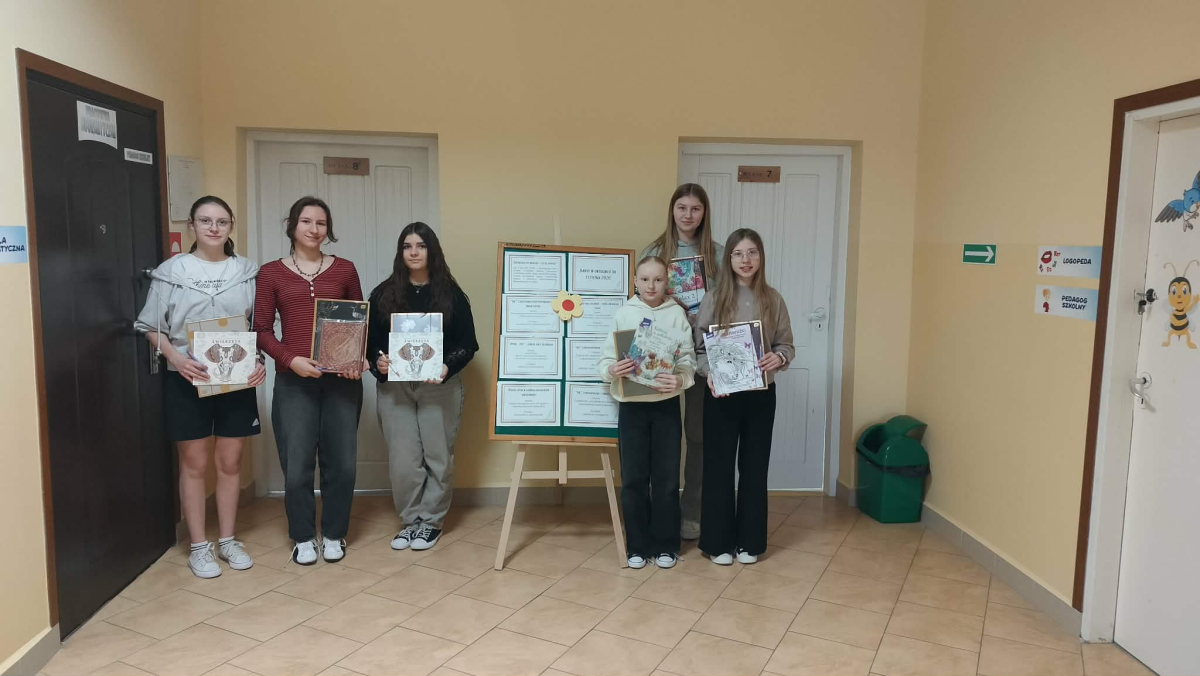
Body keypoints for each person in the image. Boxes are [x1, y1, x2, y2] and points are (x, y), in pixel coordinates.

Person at [136, 196, 264, 579]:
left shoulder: (247, 272)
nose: (213, 228)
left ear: (231, 226)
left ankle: (228, 540)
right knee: (194, 464)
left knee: (230, 462)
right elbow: (149, 327)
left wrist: (257, 362)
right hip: (186, 377)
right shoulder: (172, 272)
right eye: (205, 221)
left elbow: (257, 327)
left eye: (221, 221)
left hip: (235, 378)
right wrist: (176, 360)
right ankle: (198, 547)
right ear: (192, 225)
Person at [254, 196, 366, 565]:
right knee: (297, 463)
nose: (314, 229)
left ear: (327, 229)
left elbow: (357, 322)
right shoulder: (270, 273)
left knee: (342, 463)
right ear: (292, 225)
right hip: (294, 382)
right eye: (306, 221)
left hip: (342, 382)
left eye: (321, 223)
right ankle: (303, 536)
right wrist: (291, 360)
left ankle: (334, 533)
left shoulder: (345, 270)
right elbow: (261, 329)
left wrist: (356, 360)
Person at [366, 223, 478, 552]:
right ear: (400, 252)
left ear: (432, 251)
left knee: (438, 457)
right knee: (404, 460)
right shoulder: (383, 294)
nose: (414, 252)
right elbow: (370, 344)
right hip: (395, 389)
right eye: (407, 246)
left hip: (439, 387)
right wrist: (378, 362)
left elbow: (468, 344)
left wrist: (446, 367)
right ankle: (410, 521)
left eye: (421, 246)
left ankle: (431, 522)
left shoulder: (451, 294)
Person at [695, 228, 794, 565]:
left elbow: (786, 345)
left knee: (754, 467)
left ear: (761, 257)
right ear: (729, 259)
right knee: (718, 466)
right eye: (738, 253)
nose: (746, 260)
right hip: (721, 394)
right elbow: (699, 350)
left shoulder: (773, 299)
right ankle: (718, 543)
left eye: (752, 252)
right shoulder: (713, 298)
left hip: (760, 395)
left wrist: (778, 358)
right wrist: (709, 373)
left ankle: (750, 542)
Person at [598, 256, 696, 569]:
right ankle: (637, 546)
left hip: (666, 405)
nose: (651, 285)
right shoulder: (624, 313)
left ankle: (666, 544)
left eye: (657, 279)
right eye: (644, 279)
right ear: (635, 282)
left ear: (667, 282)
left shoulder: (677, 314)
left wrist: (680, 379)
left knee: (666, 478)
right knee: (634, 478)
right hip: (632, 406)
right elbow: (605, 360)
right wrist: (612, 369)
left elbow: (688, 360)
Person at [641, 183, 724, 541]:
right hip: (660, 354)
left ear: (704, 213)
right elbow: (640, 301)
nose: (688, 215)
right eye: (682, 207)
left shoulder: (718, 254)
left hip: (704, 356)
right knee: (660, 434)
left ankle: (693, 512)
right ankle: (659, 511)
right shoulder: (655, 251)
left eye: (695, 208)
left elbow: (729, 303)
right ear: (672, 210)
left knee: (698, 436)